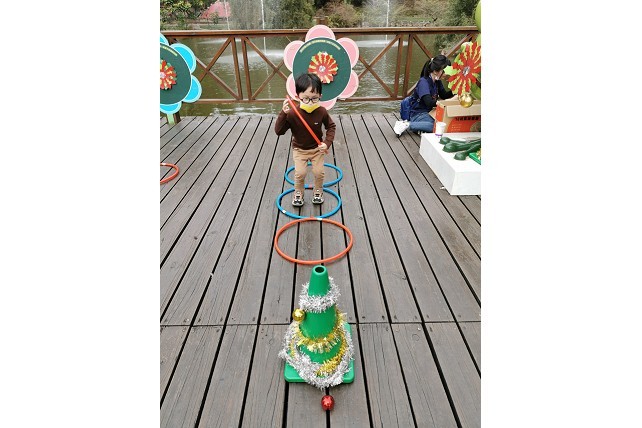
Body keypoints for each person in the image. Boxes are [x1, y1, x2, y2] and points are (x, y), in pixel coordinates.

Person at [275, 73, 336, 206]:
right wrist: (283, 114)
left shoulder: (321, 111)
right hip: (300, 150)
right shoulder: (292, 113)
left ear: (320, 96)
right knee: (300, 173)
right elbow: (279, 131)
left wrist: (327, 143)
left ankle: (318, 190)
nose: (310, 102)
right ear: (298, 97)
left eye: (314, 98)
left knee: (319, 172)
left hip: (317, 149)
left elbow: (331, 127)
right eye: (306, 99)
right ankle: (298, 192)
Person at [393, 54, 454, 136]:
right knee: (436, 126)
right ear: (436, 71)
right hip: (417, 114)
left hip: (429, 113)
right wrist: (442, 103)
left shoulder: (437, 81)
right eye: (445, 71)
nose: (446, 74)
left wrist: (455, 90)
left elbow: (444, 95)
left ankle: (420, 128)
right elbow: (428, 102)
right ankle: (406, 124)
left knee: (444, 123)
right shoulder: (423, 82)